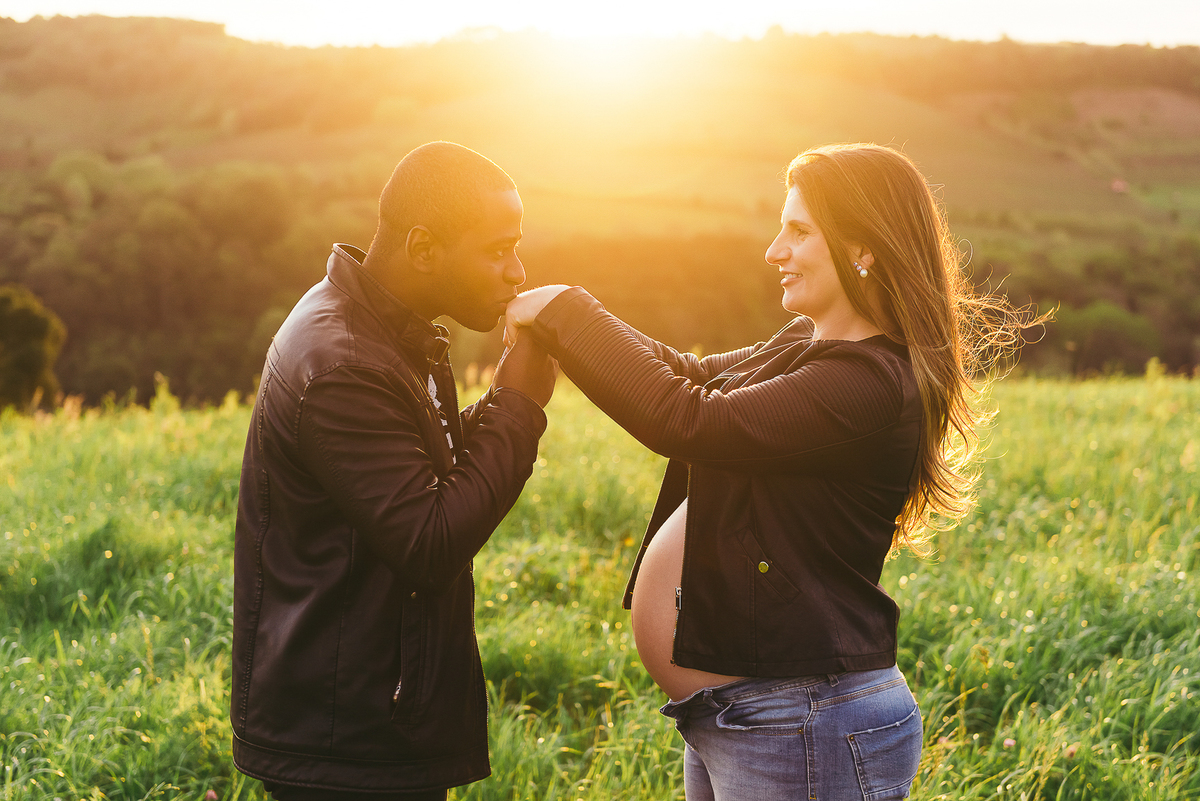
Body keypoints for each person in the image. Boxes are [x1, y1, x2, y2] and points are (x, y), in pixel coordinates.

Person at [506, 143, 1022, 800]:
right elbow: (688, 374)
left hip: (806, 721)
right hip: (755, 716)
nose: (775, 250)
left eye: (798, 230)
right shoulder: (808, 346)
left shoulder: (866, 382)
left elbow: (693, 420)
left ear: (862, 247)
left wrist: (564, 311)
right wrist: (559, 327)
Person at [231, 142, 556, 801]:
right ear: (424, 247)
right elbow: (428, 539)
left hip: (356, 718)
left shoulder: (380, 329)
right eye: (497, 249)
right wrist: (519, 406)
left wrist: (498, 405)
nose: (516, 272)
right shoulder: (344, 362)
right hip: (344, 742)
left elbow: (411, 459)